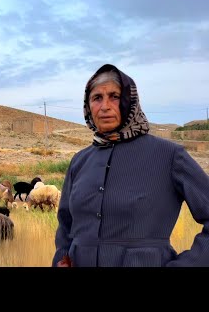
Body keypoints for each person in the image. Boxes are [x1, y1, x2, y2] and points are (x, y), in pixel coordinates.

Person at [52, 64, 209, 267]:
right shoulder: (80, 161)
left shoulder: (169, 155)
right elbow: (66, 225)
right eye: (97, 98)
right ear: (88, 105)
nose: (105, 106)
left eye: (114, 96)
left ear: (130, 101)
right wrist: (61, 259)